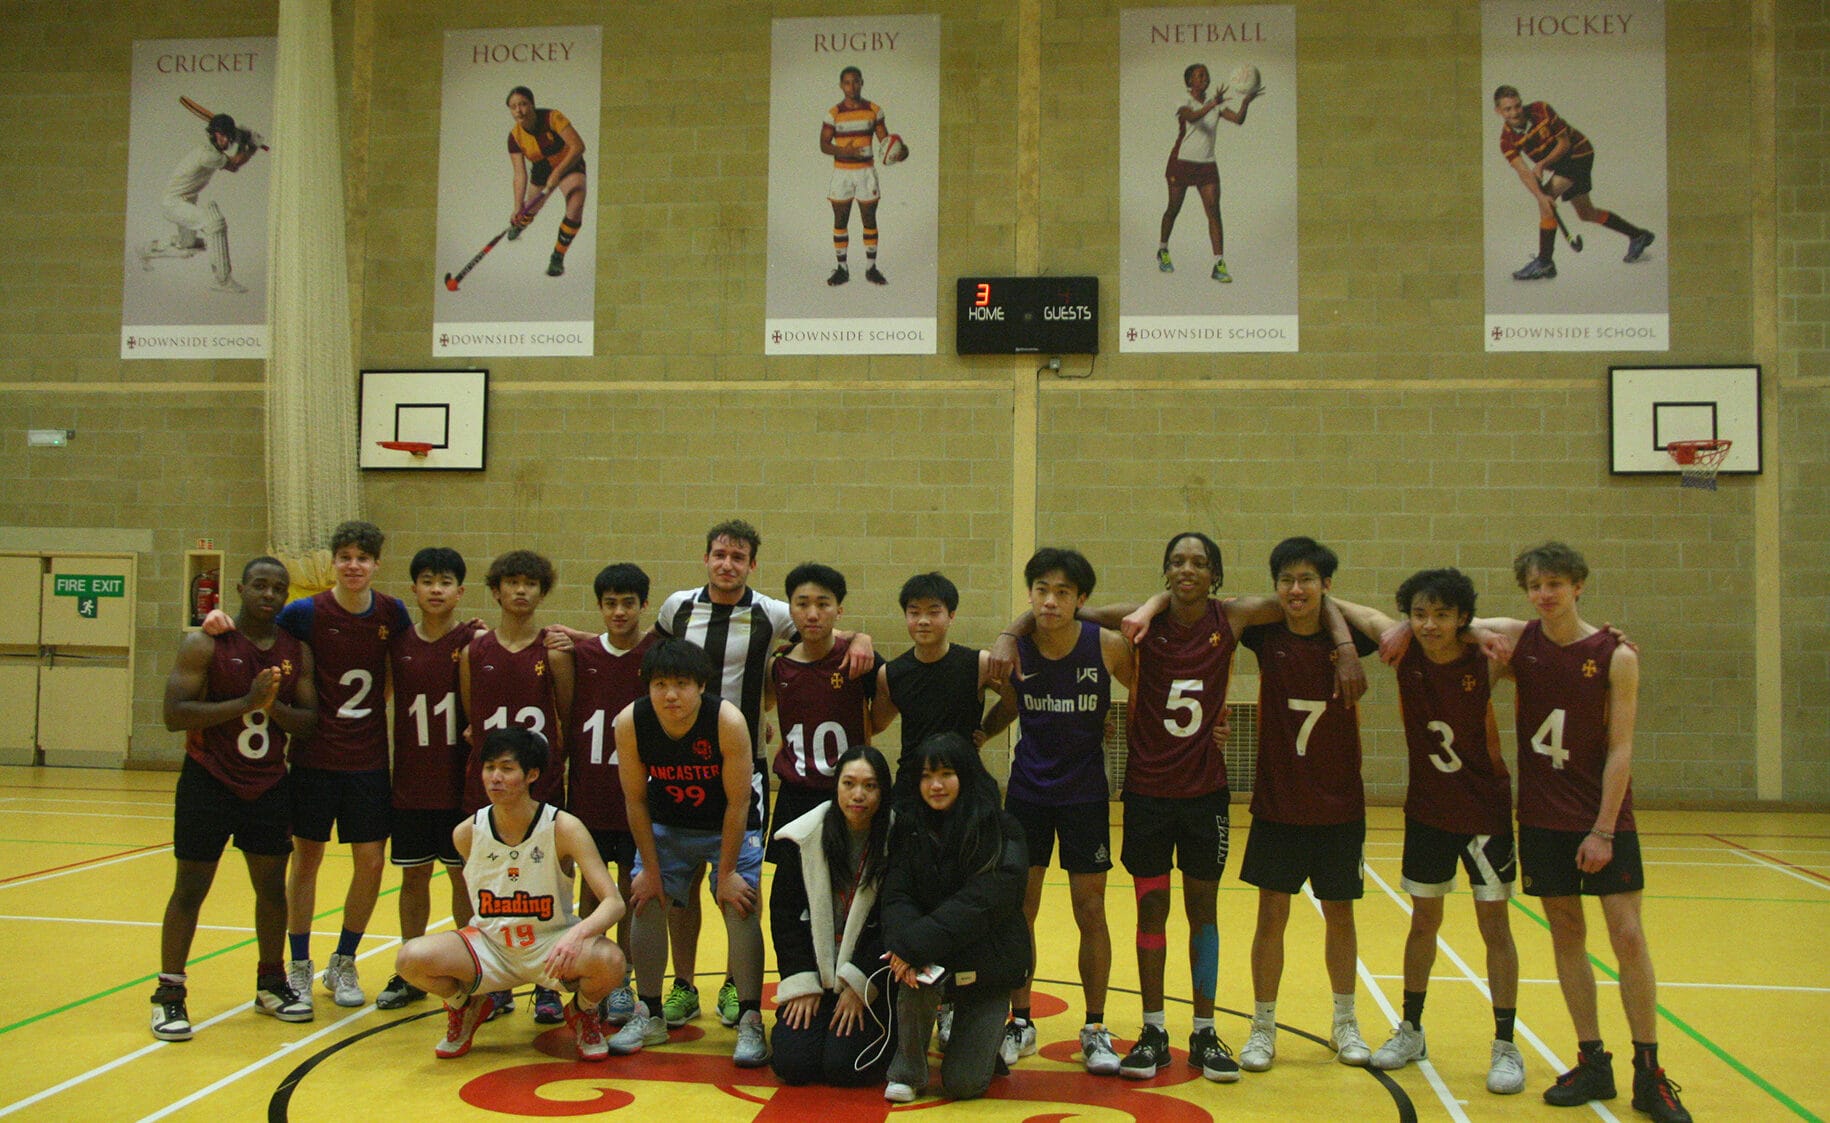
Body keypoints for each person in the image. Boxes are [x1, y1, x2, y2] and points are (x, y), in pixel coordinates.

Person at [1012, 531, 1357, 1083]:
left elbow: (1313, 598)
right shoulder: (1137, 622)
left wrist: (1341, 647)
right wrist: (1013, 631)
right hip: (1147, 792)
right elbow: (1059, 610)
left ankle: (1203, 1030)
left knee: (1204, 911)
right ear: (1165, 571)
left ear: (1215, 573)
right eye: (1176, 561)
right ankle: (1153, 1029)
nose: (1187, 569)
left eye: (1198, 562)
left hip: (1205, 794)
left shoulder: (1234, 617)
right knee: (1151, 911)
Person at [1425, 543, 1689, 1121]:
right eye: (1535, 585)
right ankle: (1592, 1060)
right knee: (1566, 934)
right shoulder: (1523, 641)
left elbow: (1621, 748)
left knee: (1627, 936)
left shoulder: (1615, 655)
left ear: (1579, 586)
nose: (1545, 594)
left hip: (1601, 820)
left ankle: (1651, 1072)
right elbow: (1451, 624)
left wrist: (1602, 829)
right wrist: (1454, 635)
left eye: (1556, 584)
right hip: (1541, 819)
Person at [645, 520, 872, 1031]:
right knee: (682, 883)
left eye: (738, 556)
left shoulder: (771, 612)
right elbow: (650, 654)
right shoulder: (675, 607)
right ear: (706, 558)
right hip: (680, 761)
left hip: (743, 765)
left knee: (739, 886)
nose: (728, 563)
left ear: (752, 564)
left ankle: (734, 984)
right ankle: (682, 985)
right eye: (720, 554)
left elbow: (821, 631)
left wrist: (863, 636)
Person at [1330, 568, 1526, 1095]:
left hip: (1484, 812)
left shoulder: (1483, 658)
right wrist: (1395, 626)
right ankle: (1412, 1029)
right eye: (1420, 614)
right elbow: (1345, 608)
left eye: (1442, 615)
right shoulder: (1405, 650)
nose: (1430, 624)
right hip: (1428, 811)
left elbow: (1534, 630)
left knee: (1494, 928)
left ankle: (1506, 1043)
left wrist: (1477, 629)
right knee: (1423, 922)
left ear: (1461, 616)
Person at [206, 520, 413, 1013]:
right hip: (315, 757)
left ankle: (343, 959)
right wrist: (220, 622)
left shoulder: (391, 611)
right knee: (308, 858)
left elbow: (403, 662)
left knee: (370, 862)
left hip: (366, 760)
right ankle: (298, 963)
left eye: (363, 558)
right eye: (345, 557)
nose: (354, 565)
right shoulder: (304, 612)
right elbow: (257, 633)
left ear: (377, 564)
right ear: (334, 562)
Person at [979, 547, 1136, 1075]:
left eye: (1063, 592)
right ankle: (1019, 1020)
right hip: (1027, 794)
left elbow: (1150, 694)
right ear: (1030, 595)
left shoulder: (1107, 646)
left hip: (1085, 796)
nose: (1050, 600)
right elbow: (1009, 705)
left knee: (1090, 910)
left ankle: (1094, 1027)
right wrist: (979, 735)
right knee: (1020, 910)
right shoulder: (1015, 650)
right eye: (1042, 590)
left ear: (1081, 599)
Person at [1224, 536, 1375, 1072]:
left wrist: (1344, 637)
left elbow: (1389, 626)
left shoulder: (1354, 637)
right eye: (1286, 580)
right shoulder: (1266, 636)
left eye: (1308, 579)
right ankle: (1262, 1027)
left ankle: (1345, 1021)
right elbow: (1229, 608)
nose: (1295, 589)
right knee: (1272, 914)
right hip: (1279, 803)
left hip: (1339, 805)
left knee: (1341, 914)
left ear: (1327, 585)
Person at [152, 557, 317, 1040]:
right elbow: (174, 714)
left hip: (267, 783)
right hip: (209, 780)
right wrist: (246, 704)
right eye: (260, 585)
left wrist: (273, 706)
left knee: (270, 890)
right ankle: (169, 993)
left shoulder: (295, 651)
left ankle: (271, 982)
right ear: (241, 589)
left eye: (278, 588)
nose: (269, 594)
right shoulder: (205, 642)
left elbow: (308, 722)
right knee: (190, 888)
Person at [393, 727, 625, 1062]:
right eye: (489, 768)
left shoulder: (563, 827)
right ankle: (466, 1005)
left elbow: (613, 902)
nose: (495, 778)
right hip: (492, 948)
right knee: (410, 959)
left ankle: (583, 1011)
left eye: (506, 768)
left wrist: (577, 934)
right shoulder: (466, 833)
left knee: (611, 961)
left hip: (550, 946)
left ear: (531, 774)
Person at [606, 638, 771, 1069]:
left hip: (727, 825)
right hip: (668, 824)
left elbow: (738, 803)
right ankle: (650, 1012)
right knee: (642, 897)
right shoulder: (630, 722)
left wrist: (729, 871)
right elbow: (636, 801)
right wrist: (652, 870)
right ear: (647, 688)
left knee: (740, 903)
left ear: (701, 686)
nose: (671, 694)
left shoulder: (727, 721)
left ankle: (751, 1016)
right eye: (660, 684)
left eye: (681, 684)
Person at [881, 733, 1030, 1104]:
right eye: (927, 776)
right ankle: (908, 1069)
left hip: (987, 967)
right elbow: (896, 895)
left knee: (963, 1084)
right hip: (934, 961)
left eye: (946, 774)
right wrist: (906, 948)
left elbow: (982, 903)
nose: (935, 785)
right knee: (914, 974)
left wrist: (915, 943)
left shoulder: (1003, 829)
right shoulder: (909, 827)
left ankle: (985, 1036)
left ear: (965, 775)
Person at [460, 549, 574, 1024]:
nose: (521, 591)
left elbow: (565, 721)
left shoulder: (553, 651)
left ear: (542, 592)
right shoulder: (474, 651)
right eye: (512, 582)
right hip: (487, 787)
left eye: (531, 583)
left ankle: (548, 983)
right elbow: (472, 719)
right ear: (496, 590)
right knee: (487, 883)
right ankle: (493, 979)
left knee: (547, 883)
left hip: (540, 787)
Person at [377, 547, 478, 1010]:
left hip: (460, 786)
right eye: (427, 581)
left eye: (445, 582)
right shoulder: (396, 644)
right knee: (413, 880)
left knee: (464, 883)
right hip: (412, 786)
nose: (436, 590)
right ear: (413, 589)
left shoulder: (473, 641)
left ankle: (473, 969)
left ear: (460, 591)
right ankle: (409, 971)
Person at [560, 562, 657, 1025]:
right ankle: (588, 972)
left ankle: (623, 977)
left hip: (639, 795)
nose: (619, 612)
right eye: (610, 604)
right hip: (590, 794)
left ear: (643, 605)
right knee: (592, 891)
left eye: (628, 603)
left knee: (631, 891)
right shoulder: (580, 654)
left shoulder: (658, 653)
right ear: (599, 607)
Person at [769, 745, 894, 1086]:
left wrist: (860, 984)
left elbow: (895, 924)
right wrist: (802, 980)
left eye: (870, 786)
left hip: (868, 981)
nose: (858, 795)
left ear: (884, 791)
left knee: (844, 1067)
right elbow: (784, 913)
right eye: (849, 783)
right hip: (816, 973)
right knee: (793, 1064)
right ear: (835, 786)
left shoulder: (898, 843)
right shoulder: (804, 837)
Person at [765, 563, 882, 847]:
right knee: (789, 889)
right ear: (790, 610)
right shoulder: (778, 666)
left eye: (823, 604)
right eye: (802, 604)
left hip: (847, 792)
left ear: (839, 610)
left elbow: (880, 719)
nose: (813, 614)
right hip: (795, 794)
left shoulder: (859, 660)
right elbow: (766, 706)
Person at [1493, 85, 1655, 281]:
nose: (1515, 112)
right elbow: (1524, 172)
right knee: (1586, 213)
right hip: (1562, 165)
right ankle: (1639, 236)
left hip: (1578, 153)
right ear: (1499, 111)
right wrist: (1539, 195)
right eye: (1508, 109)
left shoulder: (1540, 110)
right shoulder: (1506, 140)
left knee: (1547, 201)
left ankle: (1545, 262)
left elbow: (1564, 144)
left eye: (1517, 106)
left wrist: (1542, 165)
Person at [872, 571, 1005, 805]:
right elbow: (876, 724)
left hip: (965, 781)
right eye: (914, 613)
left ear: (951, 616)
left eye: (933, 612)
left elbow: (1017, 699)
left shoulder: (979, 664)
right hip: (912, 784)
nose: (923, 620)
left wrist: (988, 729)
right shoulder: (890, 674)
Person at [1157, 64, 1259, 283]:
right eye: (1199, 75)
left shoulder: (1216, 105)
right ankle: (1163, 249)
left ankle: (1218, 263)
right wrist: (1213, 103)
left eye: (1206, 74)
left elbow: (1238, 120)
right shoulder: (1182, 100)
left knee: (1214, 213)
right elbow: (1192, 117)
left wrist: (1245, 103)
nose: (1205, 77)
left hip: (1206, 165)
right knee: (1173, 209)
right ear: (1189, 81)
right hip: (1181, 162)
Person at [138, 111, 260, 293]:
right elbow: (234, 165)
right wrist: (250, 145)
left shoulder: (213, 152)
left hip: (183, 202)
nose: (225, 141)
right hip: (174, 204)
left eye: (228, 137)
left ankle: (147, 250)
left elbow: (234, 160)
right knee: (214, 224)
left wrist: (247, 144)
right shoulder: (208, 155)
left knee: (187, 248)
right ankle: (223, 281)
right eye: (222, 136)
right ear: (214, 134)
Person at [503, 86, 588, 278]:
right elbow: (519, 174)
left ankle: (558, 256)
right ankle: (520, 224)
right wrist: (517, 207)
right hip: (542, 168)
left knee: (575, 204)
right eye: (513, 107)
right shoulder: (514, 137)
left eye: (523, 104)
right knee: (530, 208)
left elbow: (578, 146)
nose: (519, 110)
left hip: (568, 163)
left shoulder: (553, 117)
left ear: (532, 104)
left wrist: (558, 173)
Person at [819, 65, 892, 287]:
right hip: (842, 173)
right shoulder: (834, 113)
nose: (852, 86)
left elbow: (885, 142)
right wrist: (844, 151)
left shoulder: (874, 110)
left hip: (865, 173)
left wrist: (898, 151)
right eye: (847, 82)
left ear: (862, 82)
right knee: (840, 220)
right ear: (841, 85)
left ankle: (871, 268)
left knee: (869, 219)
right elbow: (823, 144)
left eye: (856, 81)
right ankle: (842, 269)